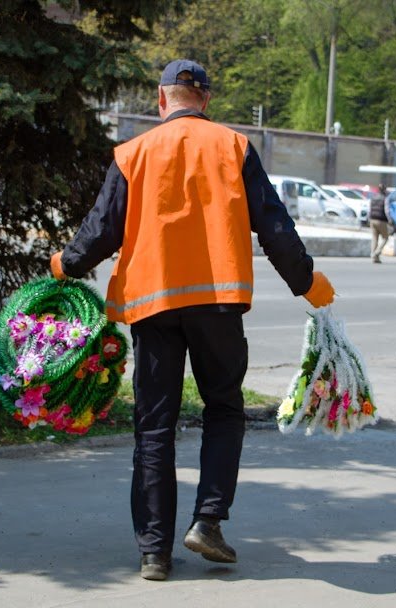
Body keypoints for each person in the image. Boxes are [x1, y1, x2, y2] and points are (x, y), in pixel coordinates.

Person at [50, 59, 335, 581]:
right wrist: (308, 283)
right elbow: (274, 226)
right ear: (204, 100)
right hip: (219, 304)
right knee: (223, 409)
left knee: (153, 425)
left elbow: (102, 228)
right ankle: (207, 522)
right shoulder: (233, 147)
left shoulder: (133, 153)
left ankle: (154, 552)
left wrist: (63, 266)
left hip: (153, 308)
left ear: (162, 100)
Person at [369, 183, 392, 263]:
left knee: (375, 238)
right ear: (384, 190)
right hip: (381, 220)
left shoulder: (373, 197)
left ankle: (374, 257)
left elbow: (370, 209)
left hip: (372, 219)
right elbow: (387, 210)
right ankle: (377, 252)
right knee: (386, 238)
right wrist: (390, 220)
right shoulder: (385, 198)